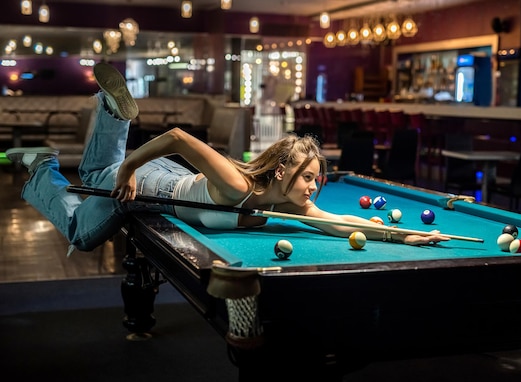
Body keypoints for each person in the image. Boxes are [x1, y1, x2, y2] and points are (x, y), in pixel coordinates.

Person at [6, 62, 447, 255]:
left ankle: (108, 109)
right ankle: (41, 166)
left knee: (89, 173)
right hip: (154, 186)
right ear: (281, 172)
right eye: (309, 178)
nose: (313, 188)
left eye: (317, 181)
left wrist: (405, 237)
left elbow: (337, 223)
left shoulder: (291, 201)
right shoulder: (240, 187)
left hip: (170, 179)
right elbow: (177, 136)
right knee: (83, 230)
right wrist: (129, 169)